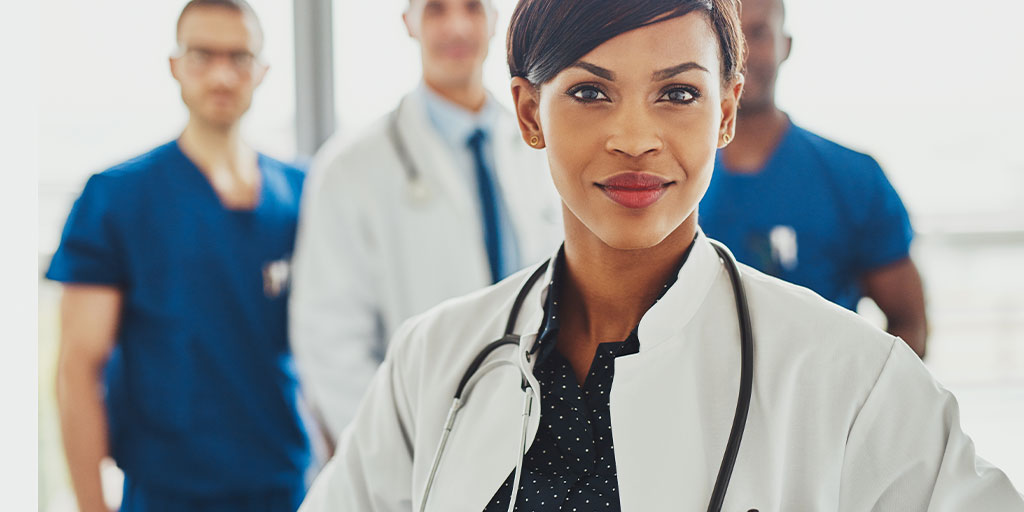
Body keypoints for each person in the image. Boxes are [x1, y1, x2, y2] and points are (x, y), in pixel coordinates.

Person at [297, 0, 1024, 510]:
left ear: (727, 112)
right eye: (589, 91)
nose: (636, 136)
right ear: (528, 113)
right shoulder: (433, 362)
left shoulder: (853, 379)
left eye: (677, 92)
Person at [47, 1, 312, 510]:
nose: (221, 73)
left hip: (286, 482)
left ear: (262, 70)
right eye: (202, 55)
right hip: (168, 490)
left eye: (238, 57)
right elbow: (79, 368)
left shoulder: (302, 193)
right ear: (175, 66)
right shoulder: (116, 198)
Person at [289, 0, 562, 439]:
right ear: (409, 22)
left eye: (472, 8)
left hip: (546, 427)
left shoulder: (545, 145)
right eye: (436, 9)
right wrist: (397, 452)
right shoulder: (350, 169)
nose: (456, 26)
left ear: (495, 22)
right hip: (424, 439)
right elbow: (328, 341)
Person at [698, 0, 928, 357]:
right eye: (729, 37)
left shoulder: (854, 178)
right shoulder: (668, 179)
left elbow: (909, 324)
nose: (742, 54)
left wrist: (861, 408)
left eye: (758, 33)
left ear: (785, 45)